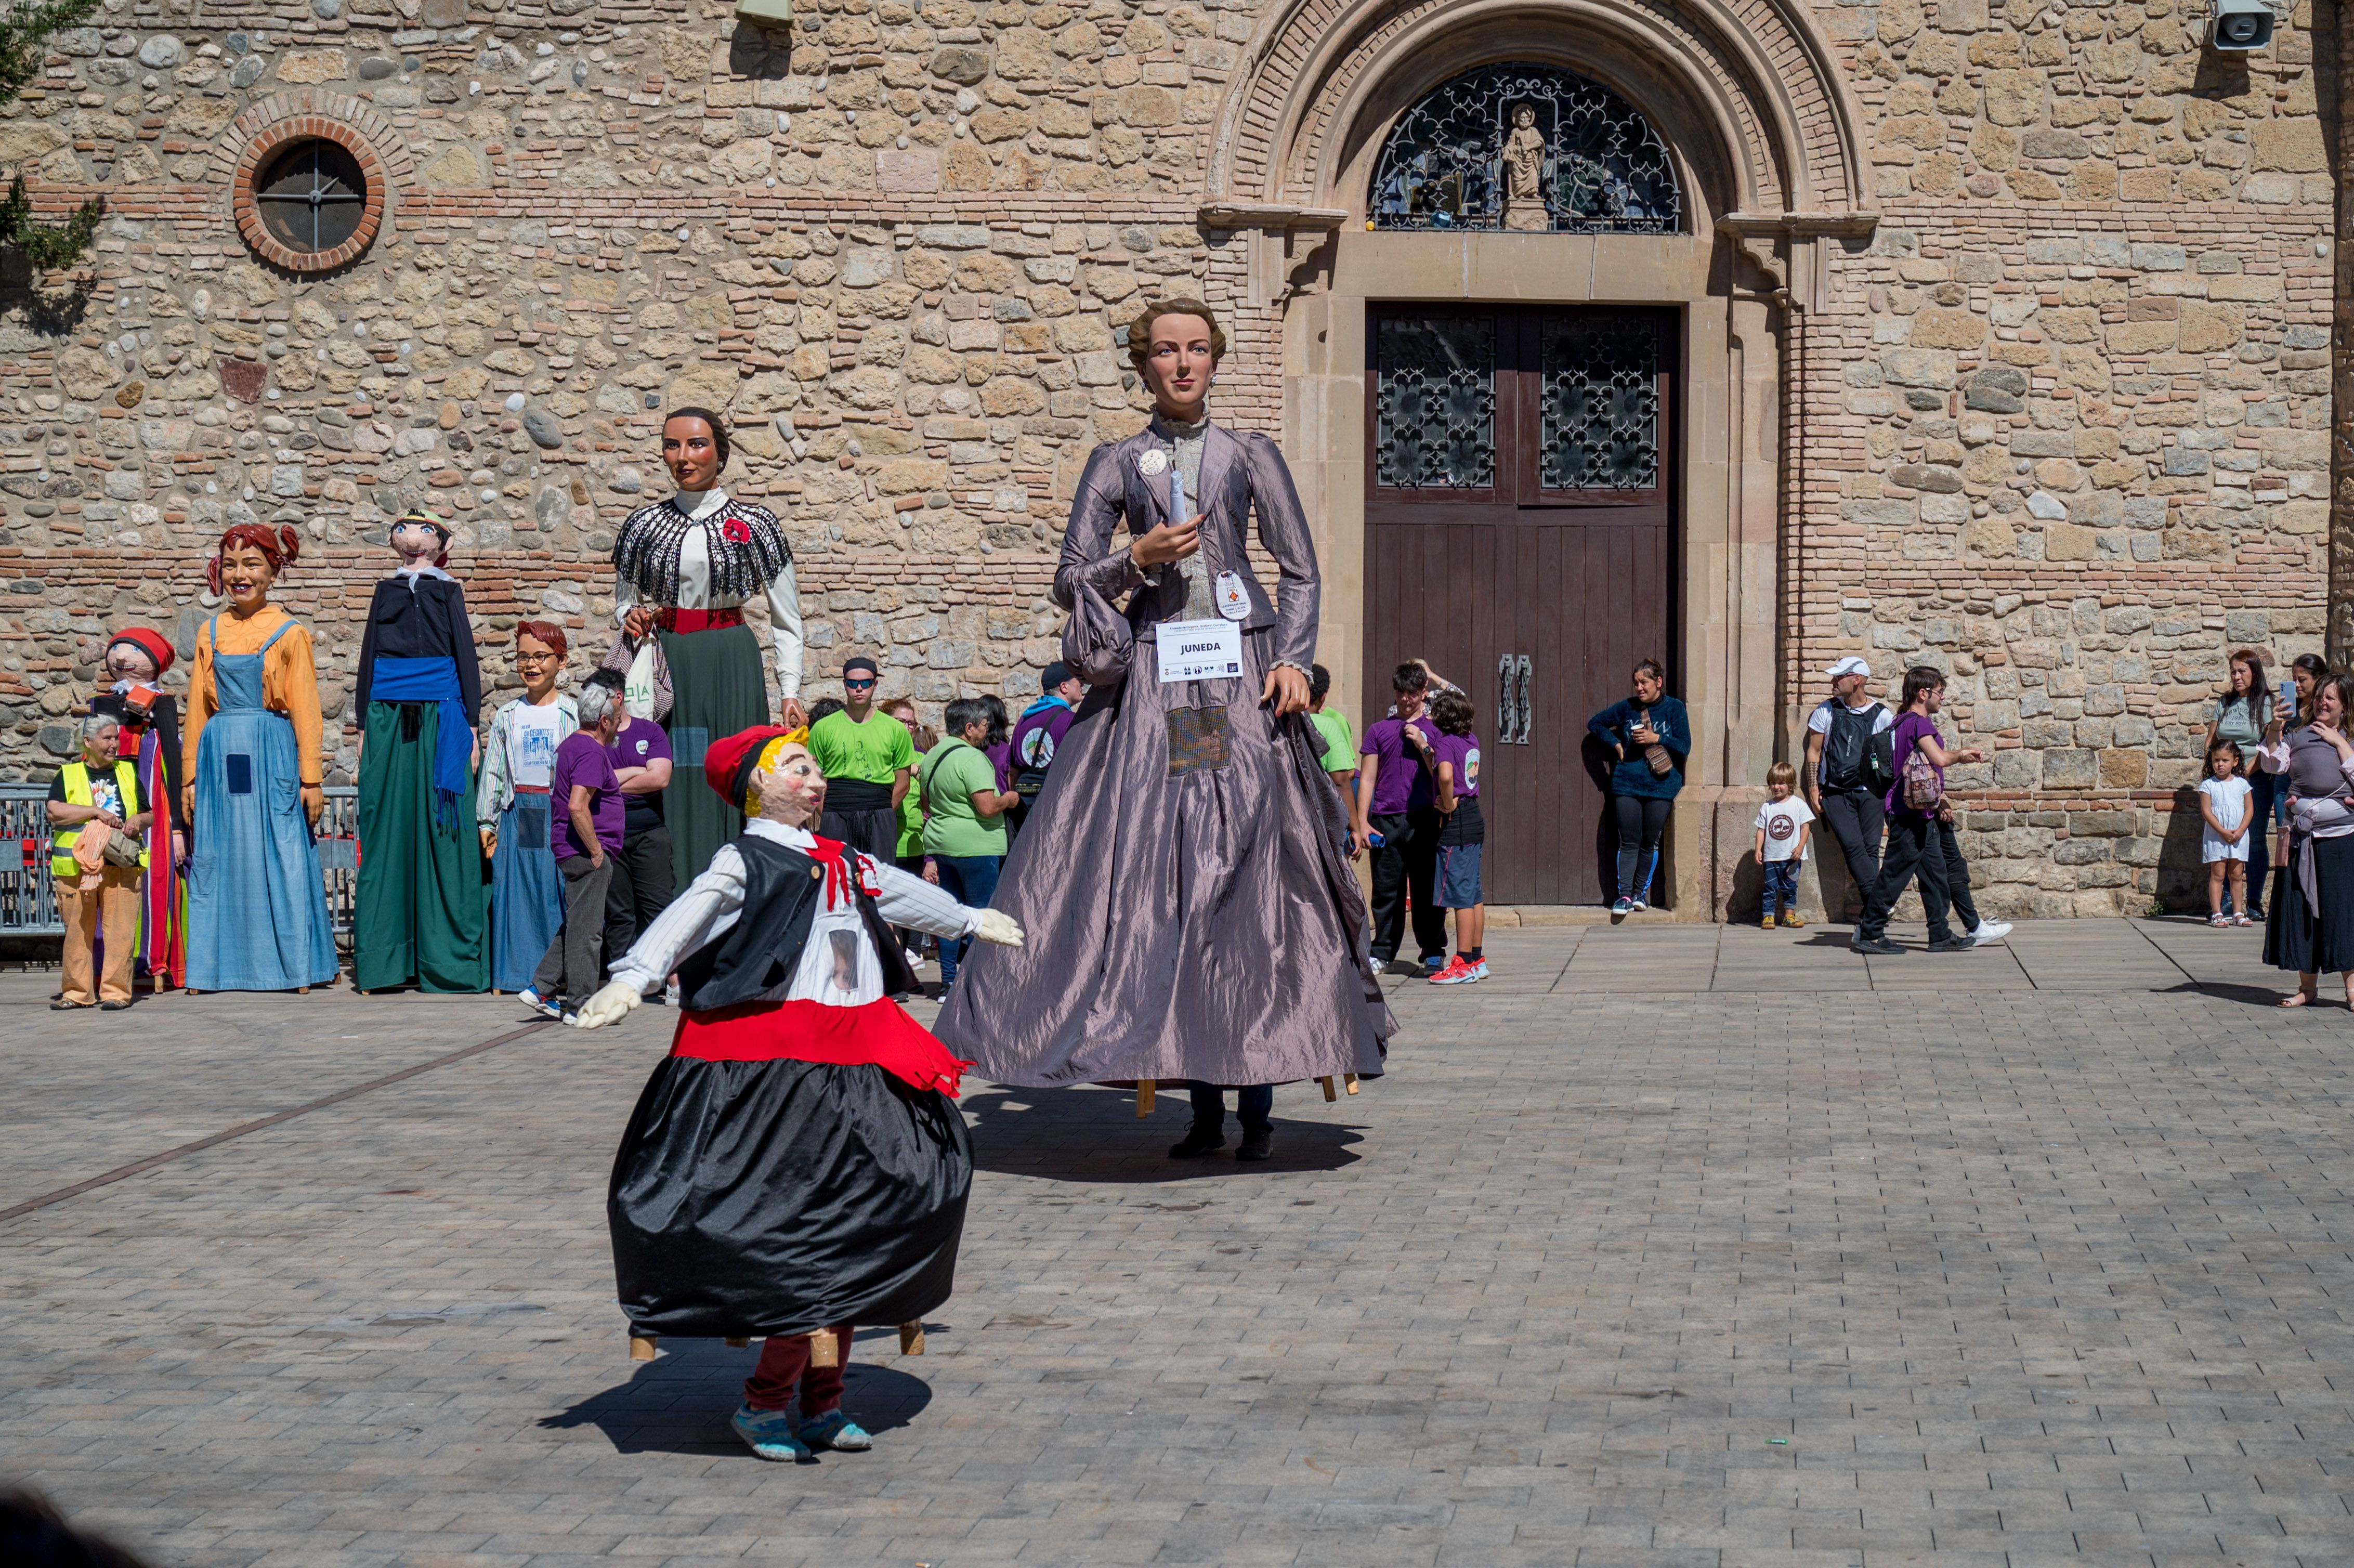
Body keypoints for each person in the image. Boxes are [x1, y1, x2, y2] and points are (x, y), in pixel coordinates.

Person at [932, 297, 1391, 1166]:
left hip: (1242, 673)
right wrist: (1131, 561)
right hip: (1151, 675)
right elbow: (1070, 578)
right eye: (1165, 352)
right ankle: (1199, 1097)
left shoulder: (1250, 454)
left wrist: (1293, 657)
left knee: (1251, 872)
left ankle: (1256, 1088)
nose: (1183, 365)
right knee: (1158, 878)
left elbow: (1299, 568)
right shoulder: (1114, 460)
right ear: (1142, 364)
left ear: (1214, 360)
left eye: (1197, 351)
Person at [570, 728, 1025, 1462]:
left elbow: (904, 892)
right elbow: (692, 911)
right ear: (756, 784)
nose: (815, 782)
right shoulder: (744, 858)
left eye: (816, 771)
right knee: (804, 1237)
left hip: (863, 1066)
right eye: (799, 769)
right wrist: (634, 976)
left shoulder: (844, 860)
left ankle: (823, 1402)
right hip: (781, 1078)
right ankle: (768, 1403)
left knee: (874, 1216)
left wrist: (972, 919)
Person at [613, 408, 807, 890]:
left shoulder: (757, 524)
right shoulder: (642, 525)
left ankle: (735, 892)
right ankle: (671, 892)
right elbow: (622, 602)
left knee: (730, 770)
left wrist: (790, 689)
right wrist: (630, 617)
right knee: (675, 767)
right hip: (668, 658)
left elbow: (787, 619)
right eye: (672, 445)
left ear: (720, 451)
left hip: (730, 661)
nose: (683, 457)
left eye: (696, 444)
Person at [181, 525, 337, 995]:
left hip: (271, 753)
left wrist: (311, 779)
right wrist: (189, 778)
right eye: (230, 565)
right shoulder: (210, 632)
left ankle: (292, 968)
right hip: (219, 755)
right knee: (216, 853)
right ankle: (214, 969)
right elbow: (195, 708)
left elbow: (307, 709)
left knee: (282, 849)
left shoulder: (291, 634)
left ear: (273, 571)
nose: (239, 575)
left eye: (251, 564)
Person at [354, 508, 487, 994]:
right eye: (406, 534)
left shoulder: (448, 590)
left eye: (424, 533)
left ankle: (447, 961)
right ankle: (386, 960)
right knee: (387, 828)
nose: (413, 543)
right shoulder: (385, 590)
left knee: (445, 825)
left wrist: (472, 724)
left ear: (439, 543)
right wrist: (364, 722)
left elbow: (464, 654)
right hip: (389, 712)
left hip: (443, 713)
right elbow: (369, 653)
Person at [1851, 665, 1984, 956]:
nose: (1943, 699)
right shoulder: (1920, 723)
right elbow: (1938, 758)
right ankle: (1870, 933)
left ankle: (1940, 934)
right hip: (1909, 814)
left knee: (1936, 874)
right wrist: (1962, 754)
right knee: (1894, 875)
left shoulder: (1899, 722)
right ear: (1923, 694)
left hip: (1919, 813)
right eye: (1940, 693)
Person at [477, 622, 578, 994]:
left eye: (540, 656)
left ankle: (557, 977)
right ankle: (514, 975)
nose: (531, 665)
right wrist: (486, 821)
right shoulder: (508, 716)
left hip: (560, 810)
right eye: (523, 656)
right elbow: (494, 770)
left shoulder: (572, 714)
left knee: (556, 888)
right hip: (519, 809)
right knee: (518, 891)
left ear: (561, 661)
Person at [91, 627, 186, 992]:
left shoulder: (160, 702)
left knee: (154, 873)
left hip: (151, 795)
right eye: (117, 649)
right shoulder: (102, 703)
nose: (122, 657)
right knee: (107, 873)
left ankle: (154, 957)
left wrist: (177, 825)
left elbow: (174, 763)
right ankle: (111, 963)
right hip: (110, 794)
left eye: (133, 651)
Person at [527, 677, 624, 1021]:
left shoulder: (571, 746)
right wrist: (597, 851)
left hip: (572, 849)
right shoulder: (590, 751)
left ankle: (541, 986)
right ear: (603, 721)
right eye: (614, 720)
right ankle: (582, 1005)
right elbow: (578, 806)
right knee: (589, 933)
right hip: (584, 852)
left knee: (578, 923)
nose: (616, 728)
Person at [2258, 671, 2354, 1006]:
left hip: (2341, 839)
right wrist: (2274, 728)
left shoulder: (2351, 739)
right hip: (2300, 838)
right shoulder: (2297, 736)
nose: (2322, 702)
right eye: (2319, 697)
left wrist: (2339, 742)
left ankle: (2352, 989)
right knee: (2301, 911)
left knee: (2342, 910)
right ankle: (2308, 990)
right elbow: (2271, 765)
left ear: (2344, 705)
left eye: (2330, 698)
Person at [48, 714, 148, 1010]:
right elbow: (54, 811)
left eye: (116, 738)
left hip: (122, 865)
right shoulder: (67, 774)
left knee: (120, 934)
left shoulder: (128, 772)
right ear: (88, 742)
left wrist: (137, 820)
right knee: (78, 933)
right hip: (77, 868)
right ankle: (77, 994)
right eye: (108, 738)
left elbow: (149, 814)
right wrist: (94, 811)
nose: (115, 744)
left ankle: (116, 994)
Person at [918, 697, 1017, 987]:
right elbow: (987, 807)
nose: (987, 731)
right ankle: (980, 983)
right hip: (977, 847)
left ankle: (948, 981)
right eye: (985, 726)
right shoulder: (974, 758)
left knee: (950, 915)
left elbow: (926, 802)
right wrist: (1009, 799)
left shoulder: (932, 756)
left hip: (940, 844)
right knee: (982, 916)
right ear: (970, 728)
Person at [1356, 661, 1446, 974]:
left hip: (1424, 819)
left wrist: (1423, 743)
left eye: (1412, 693)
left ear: (1424, 693)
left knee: (1427, 890)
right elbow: (1367, 778)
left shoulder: (1436, 730)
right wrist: (1362, 822)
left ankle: (1433, 951)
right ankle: (1382, 951)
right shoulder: (1378, 730)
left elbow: (1443, 773)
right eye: (1400, 693)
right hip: (1384, 819)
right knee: (1386, 891)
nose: (1406, 700)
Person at [1587, 659, 1689, 915]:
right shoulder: (1627, 708)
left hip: (1662, 787)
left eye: (1644, 682)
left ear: (1658, 682)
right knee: (1629, 842)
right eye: (1636, 683)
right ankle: (1623, 896)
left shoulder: (1675, 709)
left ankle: (1640, 894)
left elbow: (1685, 746)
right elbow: (1596, 723)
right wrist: (1617, 745)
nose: (1639, 688)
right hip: (1627, 785)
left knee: (1650, 842)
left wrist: (1657, 738)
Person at [599, 669, 677, 980]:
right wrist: (635, 771)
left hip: (649, 833)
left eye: (599, 698)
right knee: (618, 915)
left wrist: (611, 784)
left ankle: (673, 980)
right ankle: (625, 981)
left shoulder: (651, 731)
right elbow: (591, 781)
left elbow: (660, 777)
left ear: (618, 698)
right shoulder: (595, 737)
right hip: (610, 835)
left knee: (659, 909)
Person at [1803, 656, 1893, 912]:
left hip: (1870, 794)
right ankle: (1879, 905)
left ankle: (1873, 915)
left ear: (1857, 681)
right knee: (1854, 848)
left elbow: (1890, 756)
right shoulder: (1825, 710)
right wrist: (1813, 790)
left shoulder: (1881, 715)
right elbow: (1814, 752)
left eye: (1839, 677)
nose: (1833, 681)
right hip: (1835, 793)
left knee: (1869, 849)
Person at [807, 654, 916, 863]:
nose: (859, 688)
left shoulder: (895, 730)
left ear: (875, 685)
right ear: (844, 684)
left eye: (866, 683)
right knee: (838, 882)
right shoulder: (823, 729)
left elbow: (903, 784)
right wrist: (829, 815)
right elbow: (813, 781)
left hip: (879, 815)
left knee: (880, 883)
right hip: (835, 813)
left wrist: (880, 812)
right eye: (853, 683)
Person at [2205, 649, 2275, 920]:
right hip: (2224, 780)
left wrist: (2246, 770)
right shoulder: (2224, 703)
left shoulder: (2266, 702)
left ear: (2254, 672)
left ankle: (2254, 901)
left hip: (2254, 779)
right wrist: (2218, 768)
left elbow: (2269, 743)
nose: (2236, 676)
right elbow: (2211, 740)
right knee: (2223, 839)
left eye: (2241, 671)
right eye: (2233, 671)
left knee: (2253, 838)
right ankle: (2224, 903)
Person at [1424, 687, 1486, 983]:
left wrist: (1447, 802)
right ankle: (1476, 959)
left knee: (1461, 895)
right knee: (1473, 892)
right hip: (1474, 816)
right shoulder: (1470, 739)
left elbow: (1446, 775)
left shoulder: (1447, 743)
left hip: (1457, 820)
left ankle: (1460, 965)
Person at [1004, 660, 1083, 839]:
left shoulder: (1023, 721)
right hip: (1055, 803)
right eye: (1078, 680)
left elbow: (1013, 771)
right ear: (1064, 687)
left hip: (1024, 804)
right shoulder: (1071, 721)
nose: (1083, 685)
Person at [2200, 740, 2254, 927]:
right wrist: (2223, 832)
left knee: (2237, 874)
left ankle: (2238, 912)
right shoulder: (2208, 785)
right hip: (2217, 836)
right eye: (2216, 760)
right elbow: (2207, 812)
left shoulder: (2243, 784)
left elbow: (2249, 810)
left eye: (2225, 760)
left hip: (2239, 836)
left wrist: (2240, 831)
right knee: (2218, 873)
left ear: (2235, 762)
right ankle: (2217, 913)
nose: (2220, 764)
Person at [1754, 760, 1813, 930]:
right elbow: (1761, 831)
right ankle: (1768, 916)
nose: (1776, 787)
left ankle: (1789, 916)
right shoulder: (1767, 807)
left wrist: (1801, 847)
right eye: (1773, 783)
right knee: (1770, 887)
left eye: (1781, 783)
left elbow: (1805, 827)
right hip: (1772, 857)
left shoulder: (1798, 804)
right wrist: (1758, 849)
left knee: (1790, 887)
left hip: (1792, 857)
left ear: (1791, 784)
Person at [1307, 663, 1356, 802]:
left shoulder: (1336, 720)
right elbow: (1344, 778)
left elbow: (1349, 771)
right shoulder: (1331, 725)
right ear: (1323, 696)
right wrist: (1355, 823)